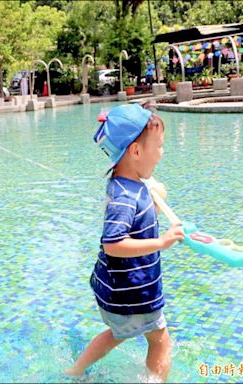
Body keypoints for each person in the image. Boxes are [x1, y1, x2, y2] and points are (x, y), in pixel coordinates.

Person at [66, 103, 184, 381]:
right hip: (133, 294)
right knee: (160, 341)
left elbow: (156, 199)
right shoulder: (124, 198)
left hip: (116, 291)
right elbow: (113, 243)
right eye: (158, 147)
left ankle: (74, 371)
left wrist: (154, 188)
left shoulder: (130, 181)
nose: (161, 153)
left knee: (116, 334)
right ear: (136, 151)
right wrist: (162, 242)